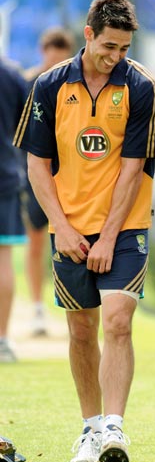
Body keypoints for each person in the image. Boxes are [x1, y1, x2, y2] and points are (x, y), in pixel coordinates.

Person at [14, 0, 155, 462]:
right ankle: (92, 428)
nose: (116, 56)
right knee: (81, 329)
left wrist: (106, 237)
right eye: (108, 46)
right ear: (88, 34)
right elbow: (37, 165)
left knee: (118, 320)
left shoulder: (142, 87)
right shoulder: (49, 87)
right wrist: (62, 227)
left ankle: (115, 429)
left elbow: (133, 168)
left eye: (123, 48)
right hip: (70, 230)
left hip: (125, 227)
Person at [22, 27, 76, 336]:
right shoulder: (29, 83)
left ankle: (69, 303)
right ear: (44, 53)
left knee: (68, 239)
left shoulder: (73, 85)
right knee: (36, 240)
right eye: (50, 56)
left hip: (68, 175)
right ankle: (37, 308)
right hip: (35, 174)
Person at [0, 55, 28, 363]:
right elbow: (28, 128)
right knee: (3, 257)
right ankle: (2, 339)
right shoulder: (12, 75)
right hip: (5, 175)